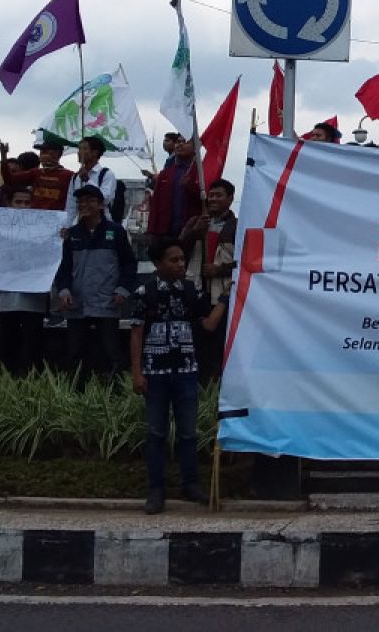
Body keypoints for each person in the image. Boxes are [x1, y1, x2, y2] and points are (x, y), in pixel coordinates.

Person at [130, 238, 226, 514]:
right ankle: (156, 489)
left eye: (182, 259)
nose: (181, 264)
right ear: (159, 263)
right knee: (156, 432)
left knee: (188, 433)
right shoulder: (144, 291)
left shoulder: (189, 290)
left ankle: (190, 484)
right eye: (174, 260)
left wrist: (225, 298)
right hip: (156, 372)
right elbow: (136, 333)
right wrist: (137, 372)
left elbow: (208, 324)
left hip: (185, 370)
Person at [56, 184, 137, 381]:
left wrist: (123, 290)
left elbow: (129, 264)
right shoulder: (71, 234)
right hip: (77, 301)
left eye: (90, 201)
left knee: (111, 351)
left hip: (107, 301)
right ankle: (75, 391)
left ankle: (114, 391)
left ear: (101, 205)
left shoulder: (116, 231)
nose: (84, 205)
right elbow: (63, 267)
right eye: (80, 201)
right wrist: (64, 291)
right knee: (75, 351)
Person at [179, 178, 237, 380]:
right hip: (196, 291)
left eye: (218, 195)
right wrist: (193, 234)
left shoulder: (238, 226)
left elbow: (245, 263)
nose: (213, 199)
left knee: (217, 346)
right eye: (210, 195)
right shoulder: (196, 222)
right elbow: (177, 252)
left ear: (230, 199)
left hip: (221, 295)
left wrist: (219, 270)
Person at [0, 188, 50, 376]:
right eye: (18, 202)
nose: (23, 207)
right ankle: (7, 381)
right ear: (9, 204)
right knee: (7, 341)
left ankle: (29, 382)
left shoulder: (43, 228)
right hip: (6, 297)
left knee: (31, 344)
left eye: (27, 203)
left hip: (33, 297)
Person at [147, 135, 202, 239]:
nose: (180, 144)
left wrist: (191, 186)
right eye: (178, 142)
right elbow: (155, 204)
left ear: (195, 147)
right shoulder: (165, 174)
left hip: (191, 233)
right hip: (165, 232)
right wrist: (151, 231)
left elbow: (206, 201)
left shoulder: (201, 172)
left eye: (185, 142)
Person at [4, 141, 75, 212]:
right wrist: (3, 156)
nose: (41, 156)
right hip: (35, 218)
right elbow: (9, 180)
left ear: (56, 155)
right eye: (41, 153)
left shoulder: (69, 176)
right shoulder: (35, 172)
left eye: (44, 152)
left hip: (56, 219)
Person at [64, 136, 117, 221]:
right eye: (79, 149)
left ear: (95, 152)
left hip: (101, 224)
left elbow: (105, 199)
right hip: (81, 224)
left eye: (84, 149)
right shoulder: (75, 177)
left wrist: (88, 181)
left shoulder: (106, 174)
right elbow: (71, 205)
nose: (79, 152)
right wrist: (67, 225)